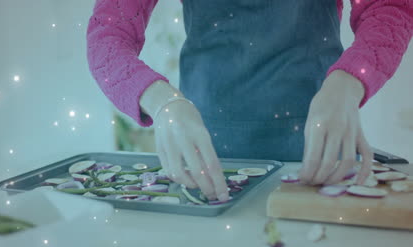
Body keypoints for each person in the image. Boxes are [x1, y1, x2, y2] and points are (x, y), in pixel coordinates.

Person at [87, 0, 413, 202]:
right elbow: (108, 35)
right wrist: (162, 102)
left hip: (321, 146)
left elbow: (389, 7)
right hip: (206, 157)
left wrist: (348, 82)